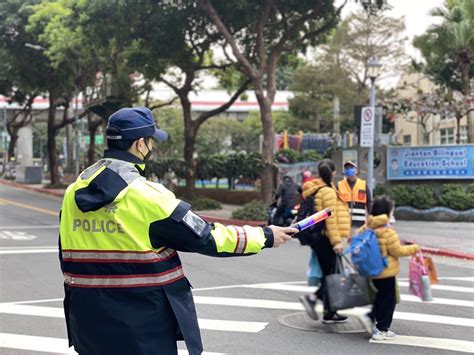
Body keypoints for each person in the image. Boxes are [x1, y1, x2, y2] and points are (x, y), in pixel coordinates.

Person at [58, 107, 297, 355]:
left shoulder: (74, 192)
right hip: (142, 327)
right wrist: (265, 236)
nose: (151, 147)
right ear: (140, 144)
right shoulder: (148, 197)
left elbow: (65, 254)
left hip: (87, 320)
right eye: (151, 141)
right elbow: (207, 238)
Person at [357, 196, 419, 340]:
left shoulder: (366, 227)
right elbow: (397, 251)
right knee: (389, 300)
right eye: (391, 211)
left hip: (370, 271)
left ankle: (370, 317)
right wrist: (414, 248)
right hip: (386, 272)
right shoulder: (387, 231)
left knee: (379, 297)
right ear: (386, 213)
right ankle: (381, 329)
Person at [298, 159, 350, 323]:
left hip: (318, 238)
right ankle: (314, 300)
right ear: (333, 172)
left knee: (330, 275)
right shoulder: (327, 191)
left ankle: (330, 312)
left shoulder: (317, 188)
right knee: (332, 276)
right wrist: (336, 242)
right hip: (325, 238)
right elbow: (330, 219)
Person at [337, 160, 371, 230]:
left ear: (356, 170)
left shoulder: (363, 184)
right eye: (346, 168)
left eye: (351, 167)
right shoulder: (339, 185)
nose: (349, 170)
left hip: (360, 225)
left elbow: (369, 202)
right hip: (343, 225)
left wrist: (371, 217)